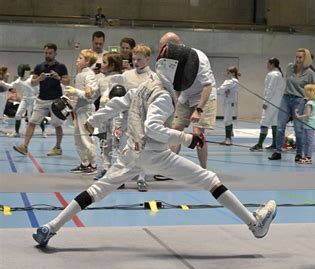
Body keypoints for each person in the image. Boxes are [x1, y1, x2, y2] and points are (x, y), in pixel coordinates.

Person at [32, 43, 277, 248]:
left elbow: (121, 102)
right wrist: (188, 139)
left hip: (132, 152)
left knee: (97, 190)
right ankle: (255, 225)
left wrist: (95, 120)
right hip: (154, 154)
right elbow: (153, 129)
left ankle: (51, 227)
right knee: (210, 179)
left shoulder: (147, 84)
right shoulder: (163, 96)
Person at [160, 32, 217, 170]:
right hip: (186, 96)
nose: (162, 51)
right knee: (175, 130)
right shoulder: (170, 61)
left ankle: (204, 170)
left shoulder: (198, 57)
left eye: (163, 47)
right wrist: (173, 104)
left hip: (204, 95)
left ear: (172, 46)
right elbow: (176, 85)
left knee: (198, 132)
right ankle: (170, 169)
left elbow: (207, 86)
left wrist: (198, 110)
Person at [13, 43, 70, 156]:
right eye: (46, 53)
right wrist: (39, 78)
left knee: (57, 124)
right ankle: (24, 146)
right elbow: (33, 83)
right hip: (41, 99)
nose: (48, 55)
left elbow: (67, 81)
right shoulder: (39, 67)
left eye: (50, 53)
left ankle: (58, 147)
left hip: (56, 100)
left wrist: (58, 77)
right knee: (32, 122)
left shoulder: (61, 66)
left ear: (55, 53)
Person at [268, 48, 315, 161]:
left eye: (300, 57)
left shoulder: (310, 74)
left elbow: (313, 91)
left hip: (299, 101)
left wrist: (307, 103)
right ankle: (278, 151)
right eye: (297, 57)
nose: (298, 59)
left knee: (298, 130)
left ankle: (299, 153)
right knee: (280, 127)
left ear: (306, 59)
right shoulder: (290, 67)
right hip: (286, 99)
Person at [120, 43, 156, 191]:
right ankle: (120, 177)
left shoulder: (154, 78)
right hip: (126, 117)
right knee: (122, 148)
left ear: (147, 59)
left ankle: (141, 178)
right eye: (134, 59)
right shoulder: (126, 75)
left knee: (141, 149)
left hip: (144, 119)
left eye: (139, 59)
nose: (135, 62)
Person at [64, 49, 99, 175]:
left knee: (87, 139)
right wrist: (71, 100)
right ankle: (84, 163)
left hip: (87, 110)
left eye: (80, 58)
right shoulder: (80, 74)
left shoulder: (89, 74)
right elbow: (79, 95)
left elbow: (90, 95)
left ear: (87, 61)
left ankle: (93, 164)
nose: (77, 60)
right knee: (78, 139)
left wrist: (76, 92)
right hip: (79, 110)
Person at [95, 52, 125, 180]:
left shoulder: (121, 78)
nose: (102, 64)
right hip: (104, 114)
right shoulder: (101, 79)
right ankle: (106, 168)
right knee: (104, 142)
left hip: (117, 115)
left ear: (112, 65)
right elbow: (93, 95)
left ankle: (118, 172)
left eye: (105, 62)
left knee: (117, 142)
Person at [250, 58, 285, 151]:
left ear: (272, 64)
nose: (267, 66)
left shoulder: (273, 74)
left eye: (268, 64)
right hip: (277, 103)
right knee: (274, 123)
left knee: (264, 122)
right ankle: (274, 144)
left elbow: (270, 89)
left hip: (271, 102)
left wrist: (266, 102)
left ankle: (259, 144)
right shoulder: (279, 74)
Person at [8, 64, 47, 138]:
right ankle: (16, 132)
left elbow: (40, 81)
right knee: (18, 115)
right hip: (25, 99)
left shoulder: (33, 78)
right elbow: (10, 85)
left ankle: (43, 131)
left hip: (34, 99)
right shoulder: (19, 79)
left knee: (38, 117)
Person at [295, 84, 315, 164]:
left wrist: (299, 117)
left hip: (310, 125)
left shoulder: (310, 103)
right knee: (304, 141)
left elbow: (307, 114)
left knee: (309, 141)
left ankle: (309, 157)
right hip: (306, 125)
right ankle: (305, 155)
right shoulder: (309, 101)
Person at [217, 66, 240, 145]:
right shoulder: (232, 81)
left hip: (229, 103)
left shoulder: (232, 81)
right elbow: (223, 90)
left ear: (233, 73)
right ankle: (230, 134)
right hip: (228, 102)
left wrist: (212, 91)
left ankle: (228, 139)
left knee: (227, 120)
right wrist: (223, 91)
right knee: (228, 119)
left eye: (228, 72)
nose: (227, 74)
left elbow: (221, 89)